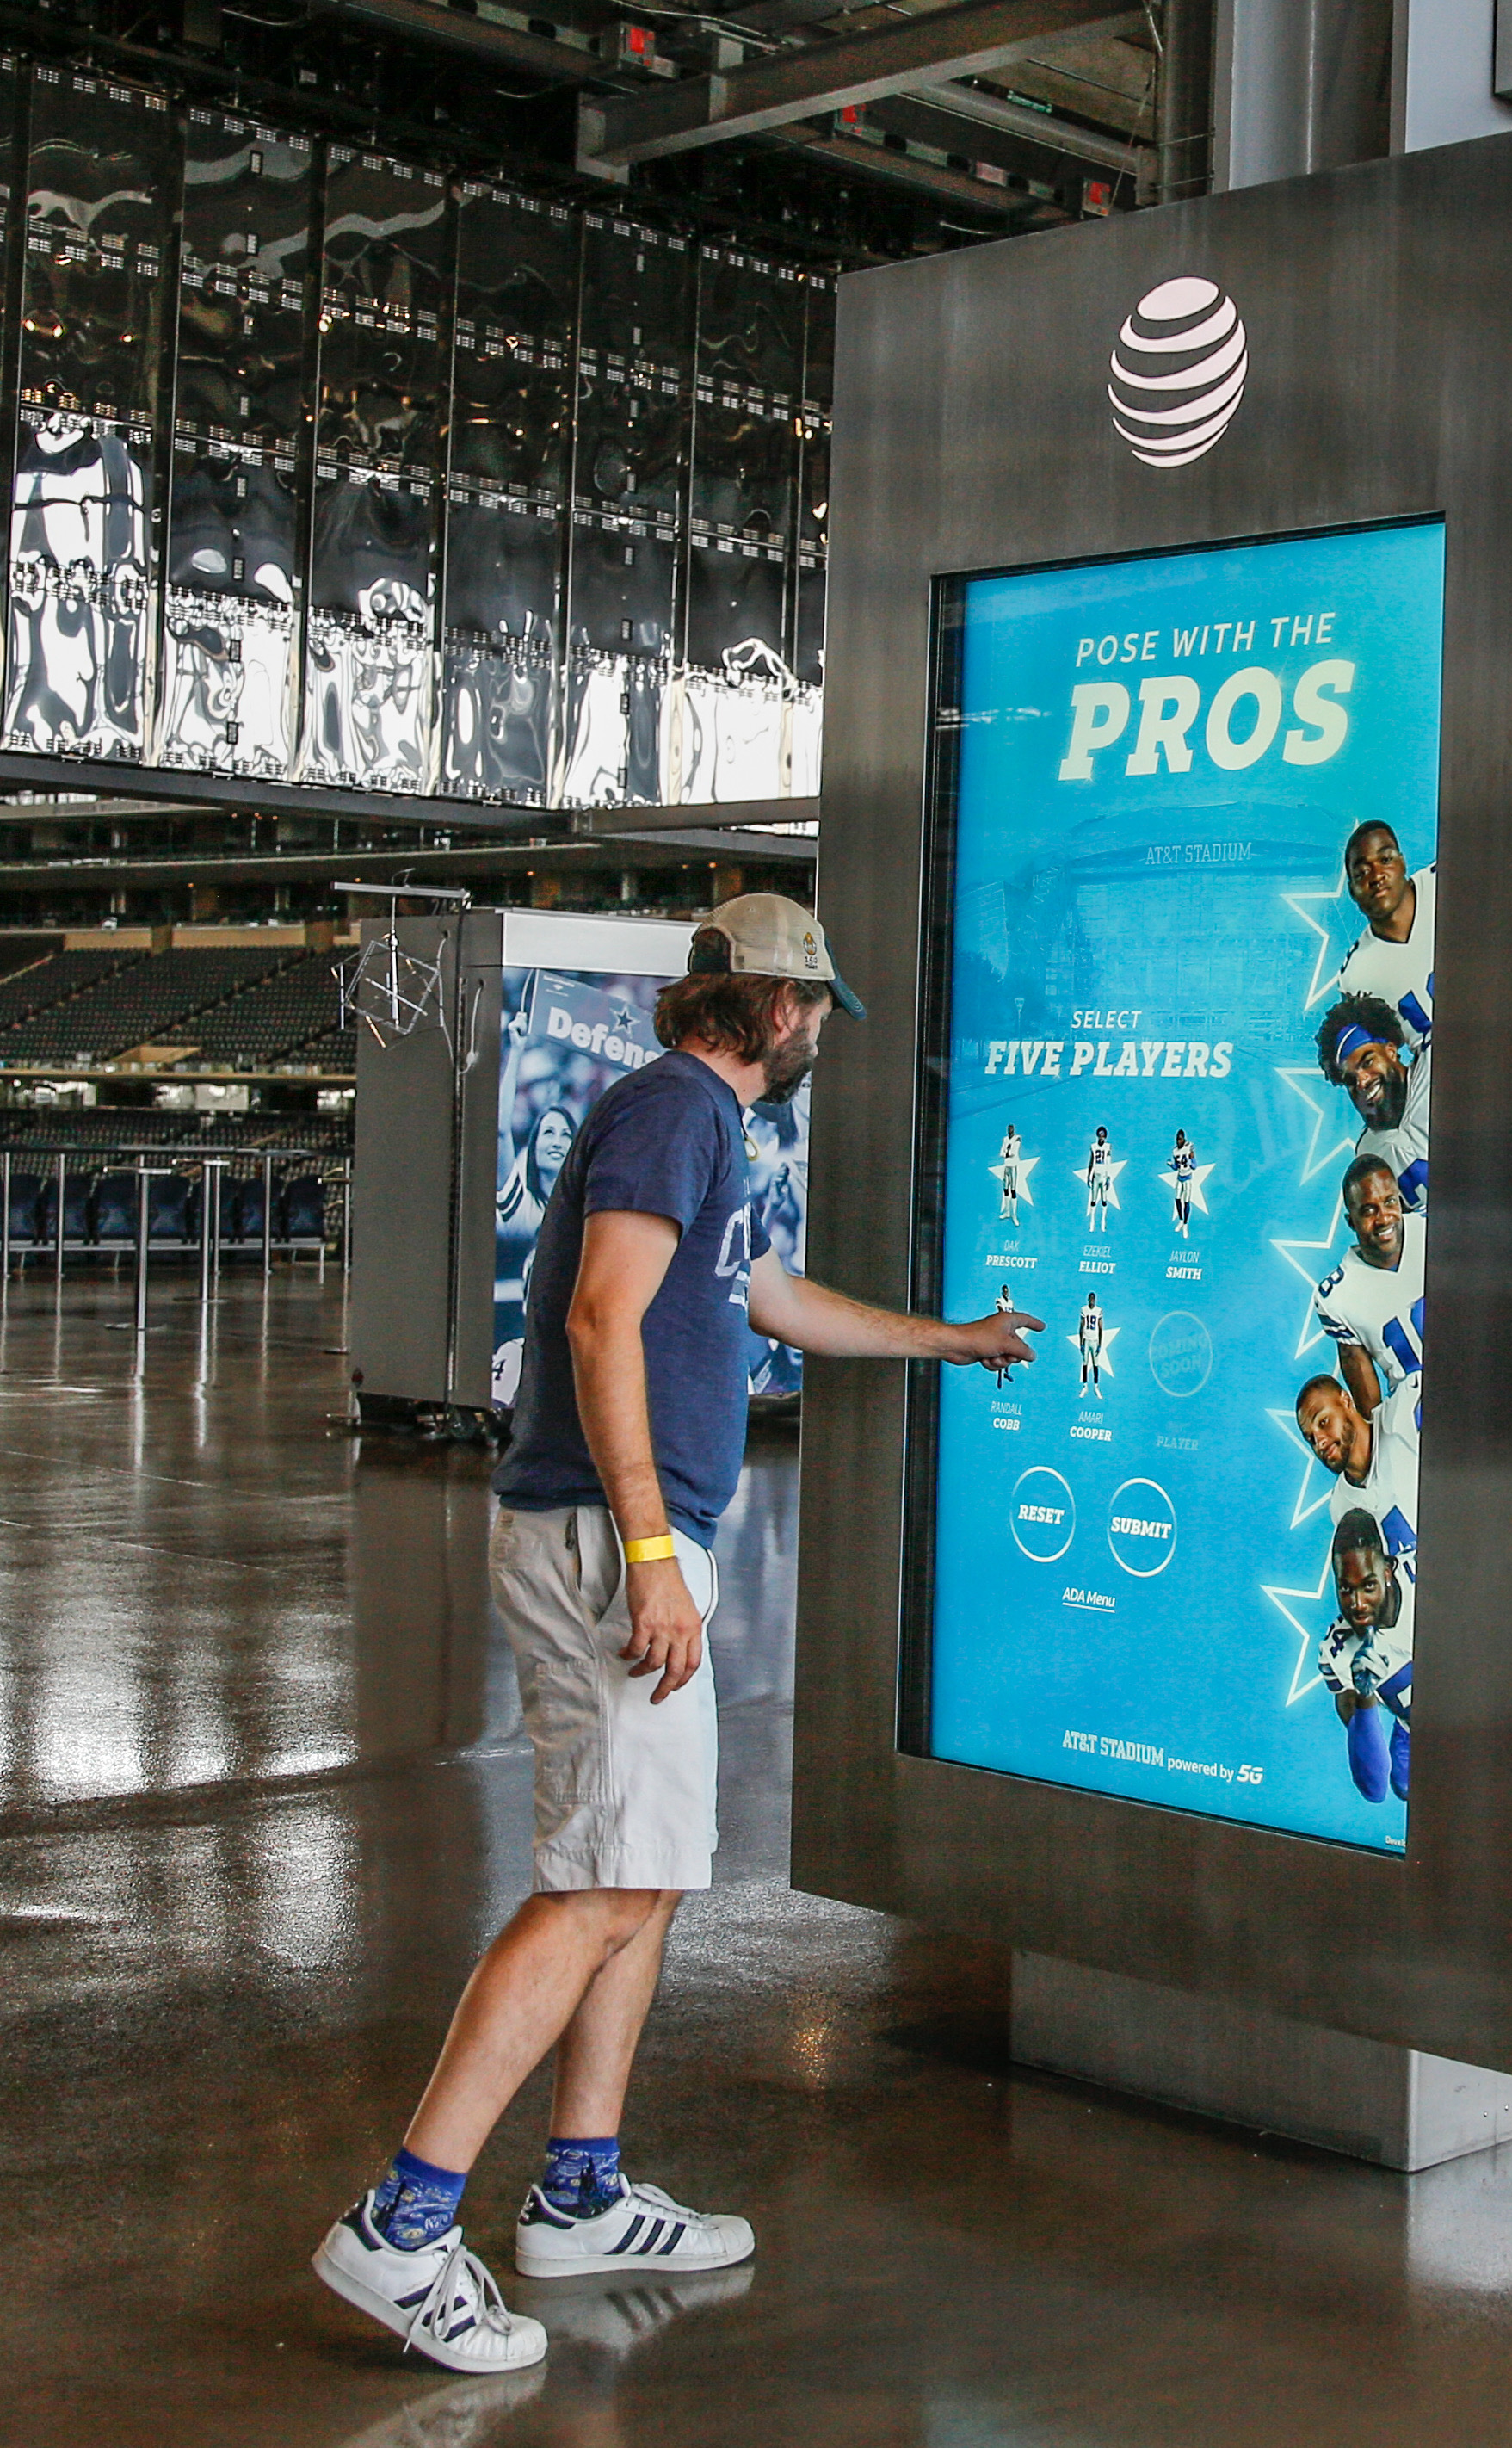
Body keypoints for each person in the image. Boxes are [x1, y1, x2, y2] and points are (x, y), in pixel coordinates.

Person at [314, 893, 1040, 2377]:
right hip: (607, 1540)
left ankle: (580, 2189)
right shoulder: (670, 1113)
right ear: (775, 1005)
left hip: (644, 1544)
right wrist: (650, 1548)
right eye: (818, 1004)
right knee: (594, 1886)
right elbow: (599, 1321)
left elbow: (765, 1299)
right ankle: (401, 2224)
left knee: (640, 1882)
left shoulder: (719, 1133)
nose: (826, 1026)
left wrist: (949, 1340)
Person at [1311, 1153, 1425, 1417]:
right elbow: (1371, 1412)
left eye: (1389, 1202)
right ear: (1351, 1221)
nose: (1384, 1218)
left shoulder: (1435, 1227)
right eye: (1369, 1210)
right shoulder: (1337, 1297)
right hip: (1415, 1422)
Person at [1319, 1509, 1416, 1806]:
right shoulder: (1337, 1651)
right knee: (1403, 1785)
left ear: (1388, 1570)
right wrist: (1365, 1697)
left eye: (1368, 1586)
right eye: (1346, 1590)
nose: (1358, 1604)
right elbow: (1373, 1787)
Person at [1294, 1370, 1419, 1580]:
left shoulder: (1404, 1414)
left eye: (1323, 1422)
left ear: (1346, 1400)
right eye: (1311, 1439)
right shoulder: (1341, 1507)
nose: (1320, 1442)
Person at [1314, 993, 1429, 1213]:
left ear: (1391, 1051)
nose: (1362, 1081)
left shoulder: (1435, 1067)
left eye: (1368, 1062)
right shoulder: (1371, 1152)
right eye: (1350, 1080)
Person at [1325, 819, 1434, 1044]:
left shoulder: (1445, 882)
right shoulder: (1356, 977)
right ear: (1351, 891)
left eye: (1385, 860)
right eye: (1362, 872)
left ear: (1403, 863)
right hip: (1445, 1074)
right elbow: (1376, 1060)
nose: (1376, 876)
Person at [1077, 1123, 1124, 1231]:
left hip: (1103, 1175)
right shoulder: (1094, 1147)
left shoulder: (1108, 1147)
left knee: (1104, 1199)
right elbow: (1091, 1161)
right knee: (1093, 1199)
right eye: (1100, 1135)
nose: (1101, 1137)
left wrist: (1109, 1177)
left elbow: (1109, 1161)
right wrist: (1089, 1175)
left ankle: (1103, 1220)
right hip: (1096, 1174)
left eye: (1103, 1135)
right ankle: (1092, 1220)